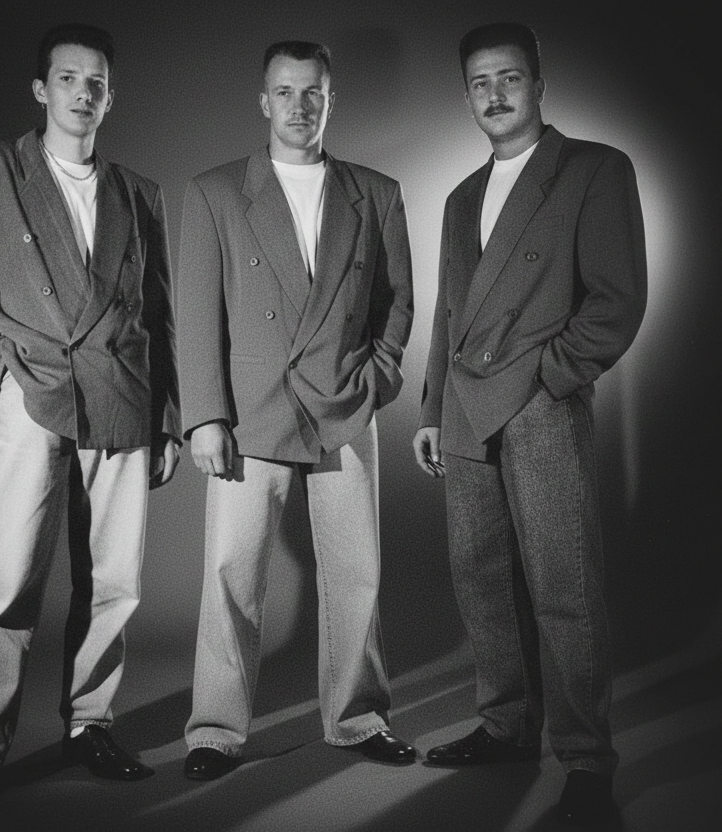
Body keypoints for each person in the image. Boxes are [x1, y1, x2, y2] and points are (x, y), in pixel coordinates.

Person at [0, 22, 180, 822]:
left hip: (124, 395)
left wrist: (168, 417)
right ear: (41, 90)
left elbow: (159, 313)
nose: (83, 92)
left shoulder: (139, 193)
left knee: (114, 578)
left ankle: (90, 724)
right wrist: (1, 378)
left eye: (96, 82)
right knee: (7, 573)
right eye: (68, 78)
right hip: (34, 390)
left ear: (110, 97)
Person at [413, 22, 647, 826]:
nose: (495, 94)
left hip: (540, 405)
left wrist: (549, 378)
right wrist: (431, 408)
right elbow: (449, 314)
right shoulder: (460, 197)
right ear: (467, 96)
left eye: (508, 77)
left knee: (563, 587)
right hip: (465, 411)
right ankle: (506, 727)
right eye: (479, 82)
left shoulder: (593, 169)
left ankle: (585, 759)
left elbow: (616, 301)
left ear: (539, 86)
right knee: (481, 580)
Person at [176, 40, 416, 781]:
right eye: (285, 92)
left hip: (343, 405)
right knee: (231, 575)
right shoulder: (216, 191)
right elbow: (196, 314)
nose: (299, 106)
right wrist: (204, 416)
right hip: (250, 413)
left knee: (356, 573)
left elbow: (397, 302)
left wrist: (375, 378)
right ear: (263, 101)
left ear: (330, 100)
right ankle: (214, 731)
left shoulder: (375, 192)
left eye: (313, 92)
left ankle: (359, 718)